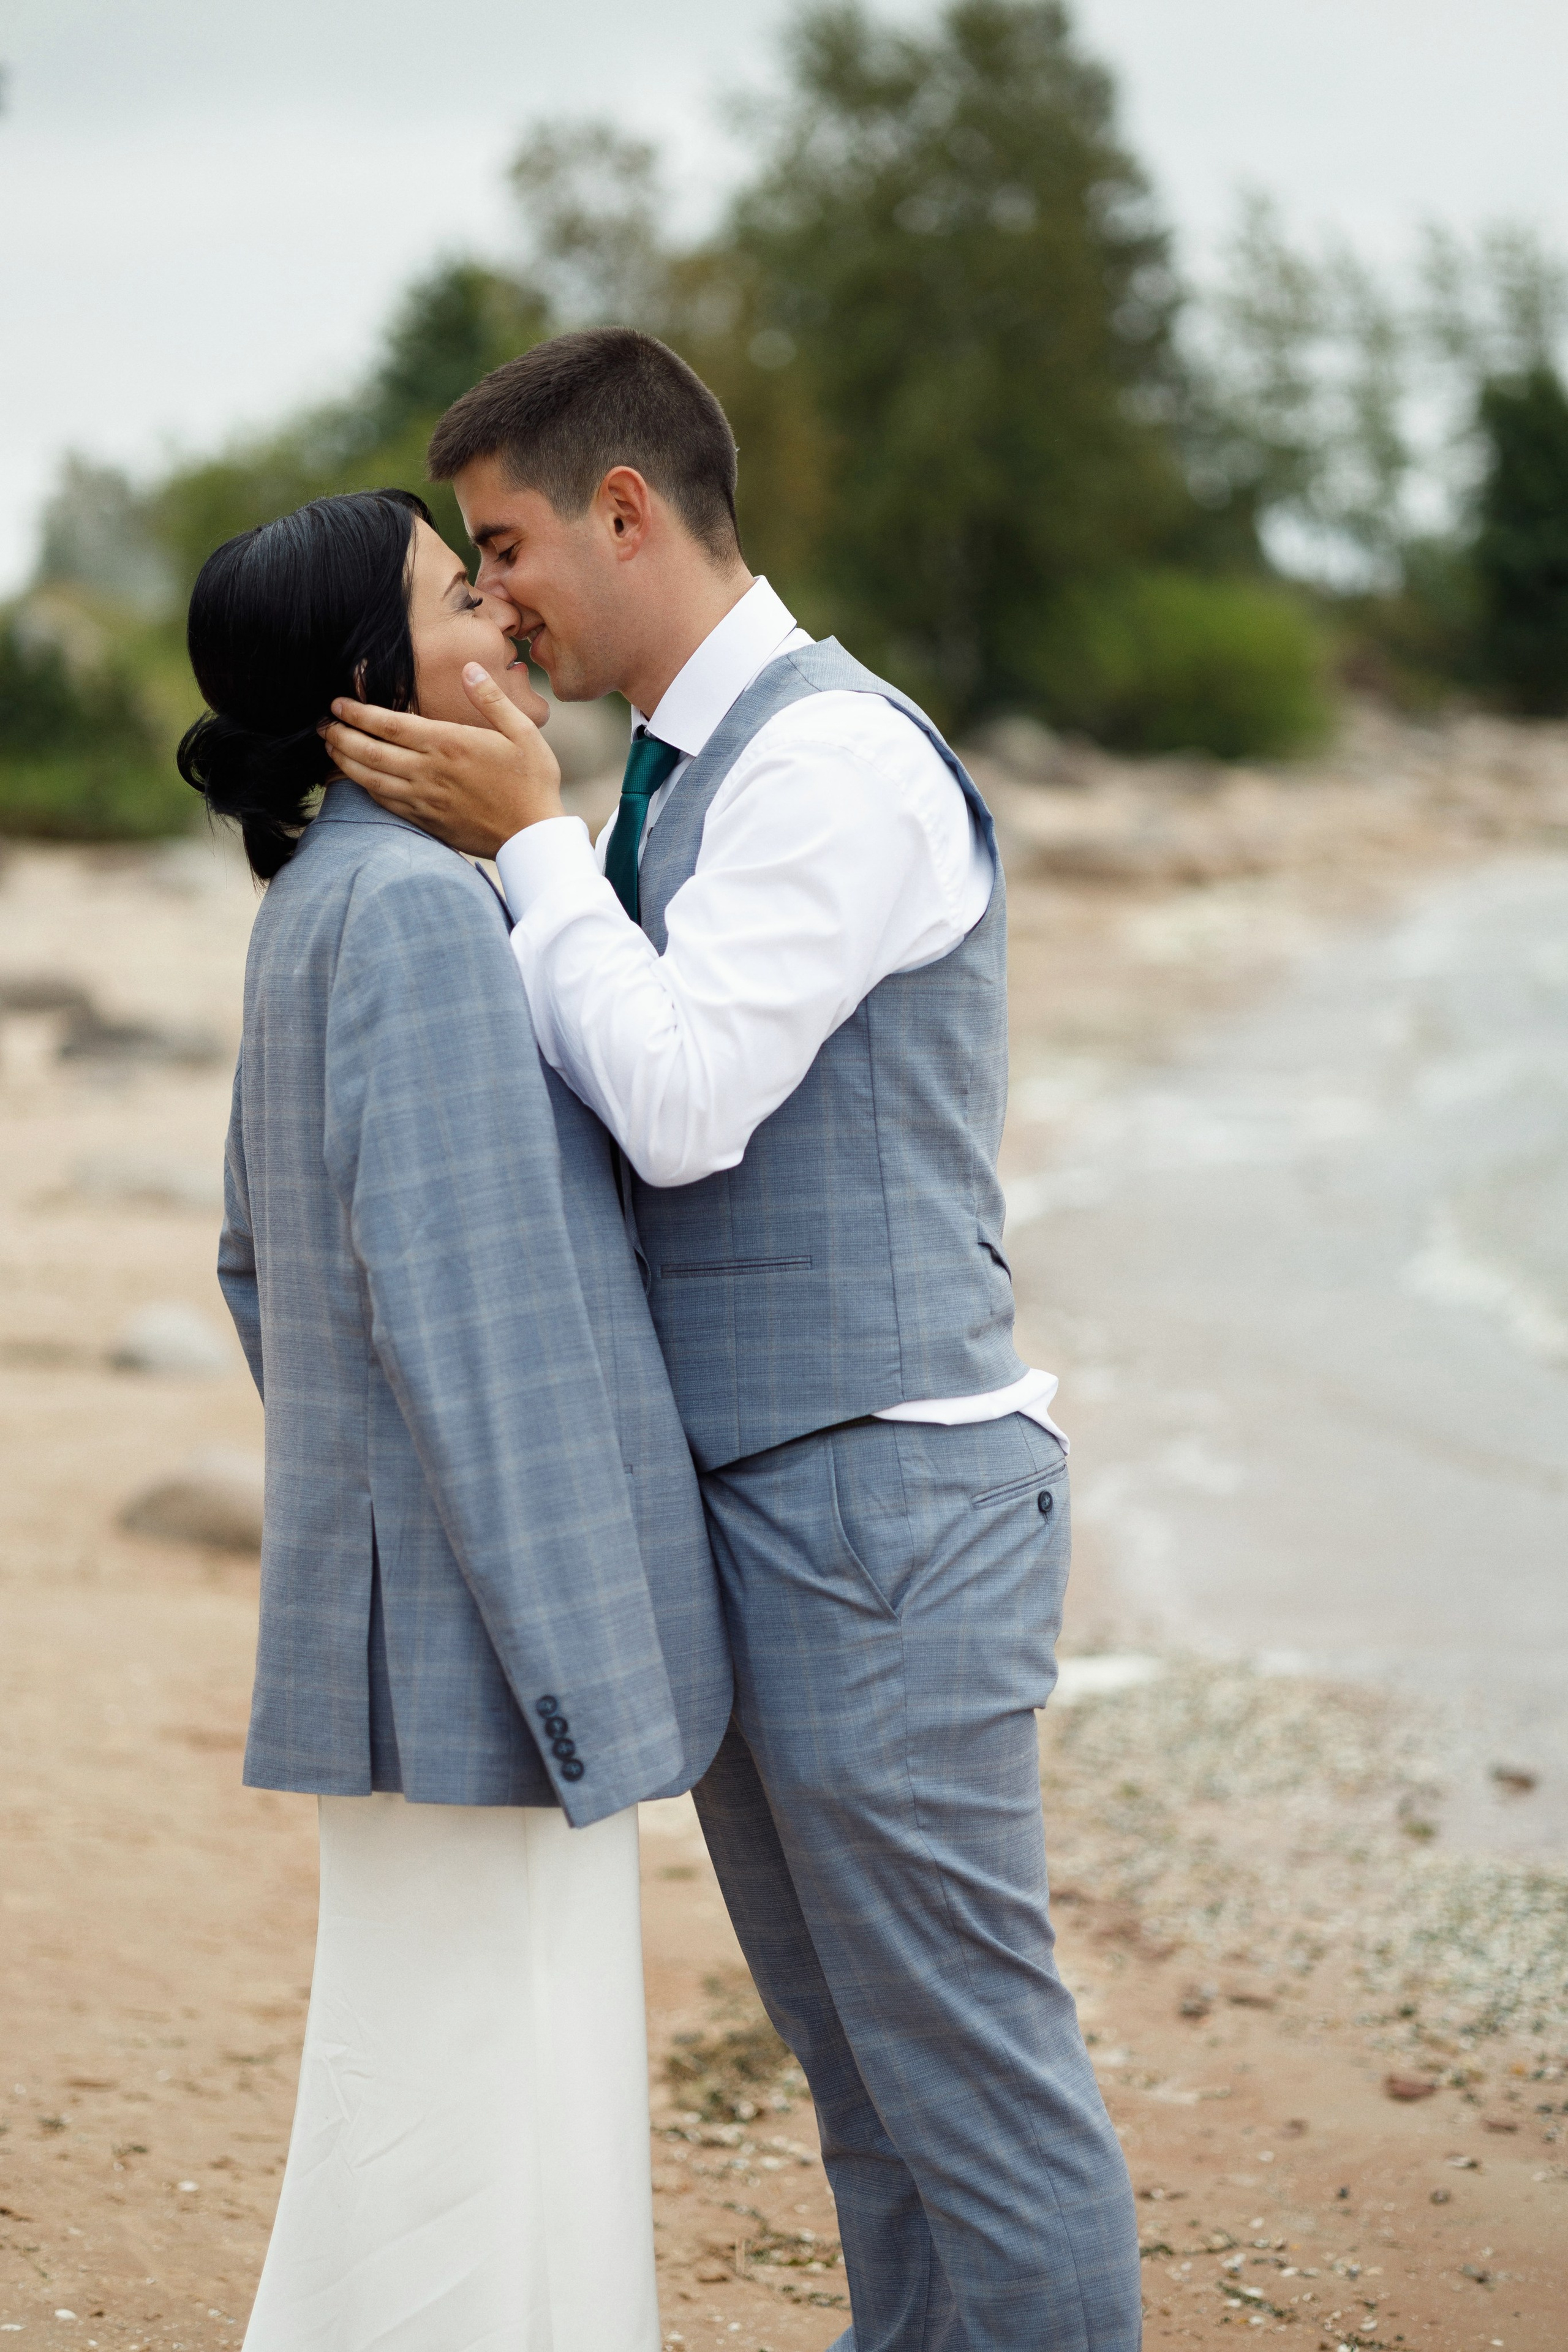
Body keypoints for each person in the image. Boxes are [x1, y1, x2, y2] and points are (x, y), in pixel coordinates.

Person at [328, 333, 1142, 2350]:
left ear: (626, 508)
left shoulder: (833, 762)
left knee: (975, 2093)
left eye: (505, 542)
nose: (493, 590)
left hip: (886, 1515)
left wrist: (524, 845)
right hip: (776, 1515)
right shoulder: (685, 775)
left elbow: (685, 1102)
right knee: (868, 2101)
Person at [183, 486, 730, 2352]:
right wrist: (585, 1670)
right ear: (364, 680)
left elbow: (262, 1272)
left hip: (414, 1613)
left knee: (452, 2092)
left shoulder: (329, 894)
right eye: (454, 596)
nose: (501, 620)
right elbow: (476, 1336)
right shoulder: (421, 914)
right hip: (488, 1646)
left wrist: (367, 1517)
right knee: (484, 2106)